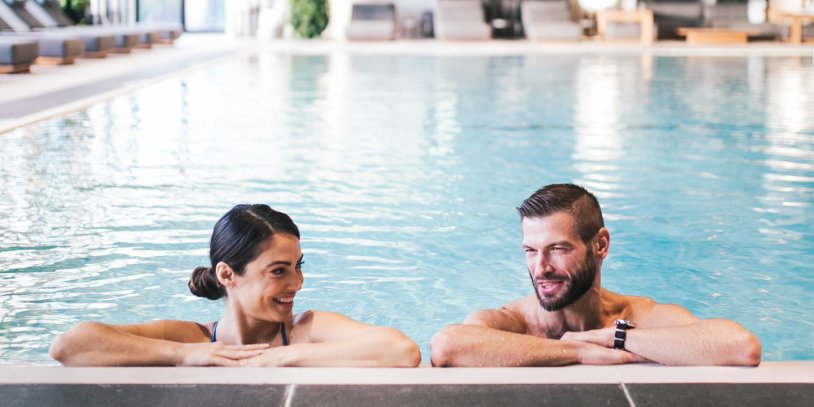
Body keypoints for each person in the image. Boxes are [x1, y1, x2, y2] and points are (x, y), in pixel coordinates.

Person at [430, 184, 761, 367]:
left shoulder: (635, 315)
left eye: (558, 249)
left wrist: (609, 337)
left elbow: (740, 347)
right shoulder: (512, 321)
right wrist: (577, 351)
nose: (540, 268)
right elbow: (447, 345)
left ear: (600, 245)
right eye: (530, 251)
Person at [50, 204, 421, 367]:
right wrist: (181, 355)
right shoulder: (190, 339)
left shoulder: (307, 331)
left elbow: (401, 350)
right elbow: (69, 345)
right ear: (228, 275)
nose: (297, 283)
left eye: (298, 266)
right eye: (279, 271)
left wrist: (286, 356)